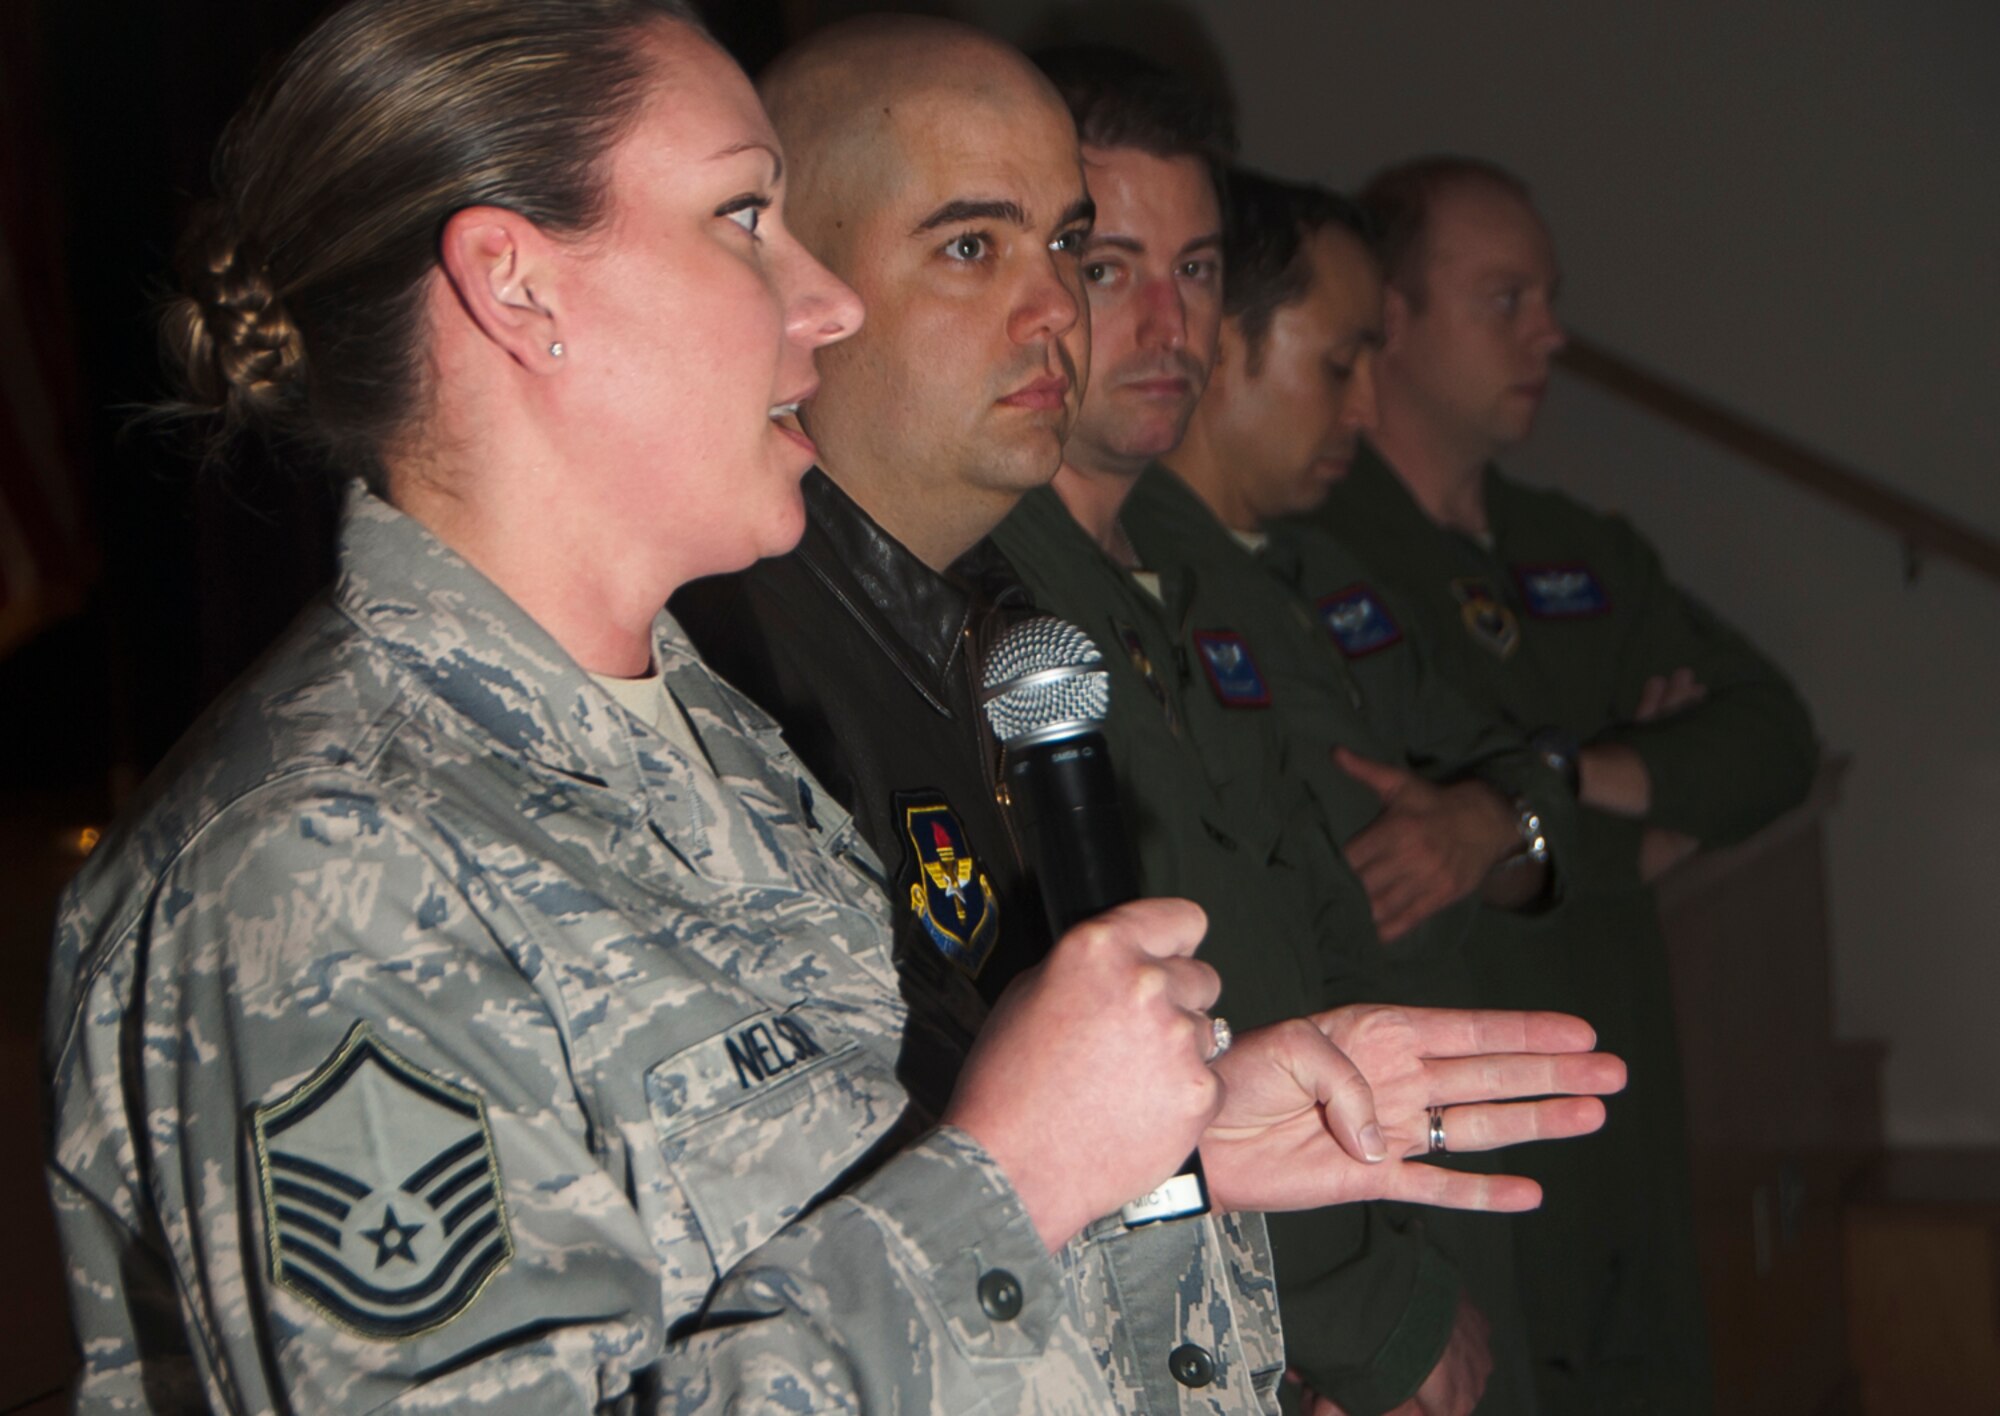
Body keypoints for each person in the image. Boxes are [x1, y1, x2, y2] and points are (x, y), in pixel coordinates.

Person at [42, 4, 1623, 1410]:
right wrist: (1011, 1177)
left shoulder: (706, 737)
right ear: (518, 289)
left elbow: (837, 1238)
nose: (826, 304)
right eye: (745, 219)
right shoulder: (319, 863)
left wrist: (1170, 1170)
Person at [675, 18, 1620, 1414]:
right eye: (972, 248)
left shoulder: (1002, 634)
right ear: (800, 284)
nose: (1062, 309)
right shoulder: (729, 677)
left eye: (1067, 249)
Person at [985, 81, 1549, 1414]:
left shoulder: (1209, 570)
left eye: (1194, 271)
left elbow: (1332, 895)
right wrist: (1362, 1320)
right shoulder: (988, 595)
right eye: (1106, 266)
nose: (1171, 324)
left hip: (1378, 1205)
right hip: (1240, 1308)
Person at [1302, 155, 1822, 1414]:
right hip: (1463, 1101)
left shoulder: (1578, 548)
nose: (1551, 332)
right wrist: (1634, 812)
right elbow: (1387, 836)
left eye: (1548, 296)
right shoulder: (1315, 547)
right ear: (1393, 321)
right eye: (1505, 298)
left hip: (1620, 1093)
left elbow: (1770, 741)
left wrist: (1524, 796)